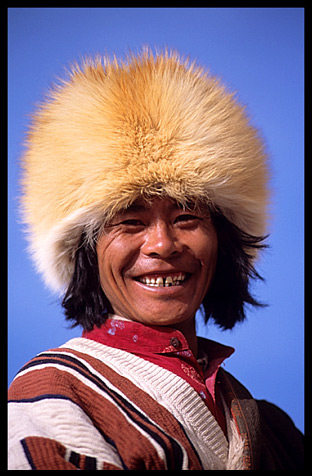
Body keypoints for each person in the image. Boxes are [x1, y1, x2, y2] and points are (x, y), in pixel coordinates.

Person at [8, 49, 304, 470]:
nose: (163, 244)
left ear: (225, 240)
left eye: (186, 216)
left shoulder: (276, 431)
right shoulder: (53, 396)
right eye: (130, 221)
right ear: (85, 252)